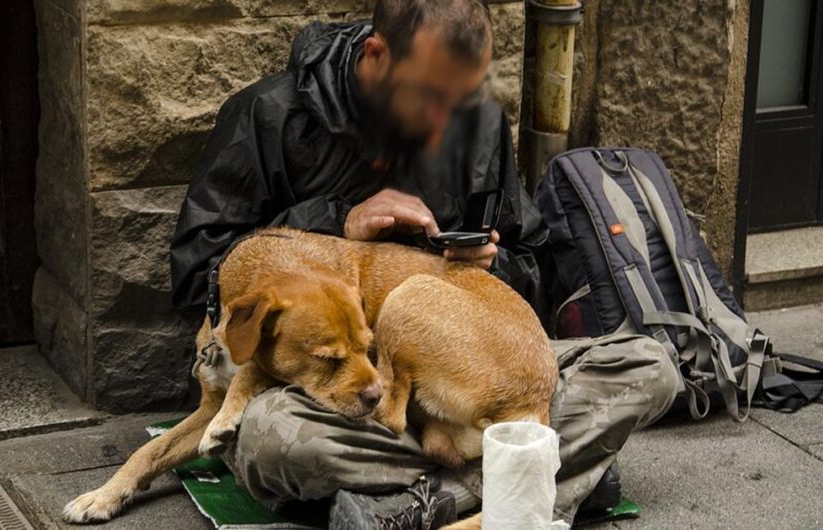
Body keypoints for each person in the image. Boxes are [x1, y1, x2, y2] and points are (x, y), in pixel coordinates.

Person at [170, 0, 680, 528]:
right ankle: (530, 473)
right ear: (377, 54)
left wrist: (492, 261)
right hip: (338, 396)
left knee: (652, 368)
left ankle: (426, 500)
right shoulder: (268, 115)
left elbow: (532, 267)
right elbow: (197, 274)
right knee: (271, 442)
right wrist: (337, 221)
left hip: (455, 375)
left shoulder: (476, 123)